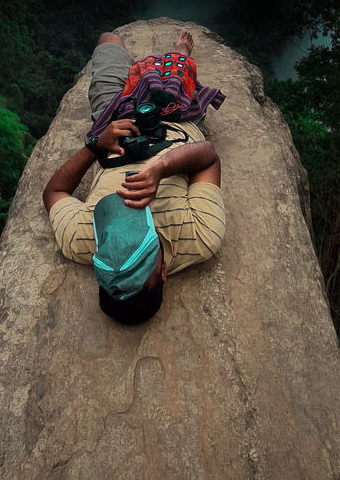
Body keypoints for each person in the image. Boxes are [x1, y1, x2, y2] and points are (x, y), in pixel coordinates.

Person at [42, 28, 225, 326]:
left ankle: (135, 66)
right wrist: (162, 167)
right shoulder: (200, 235)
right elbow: (209, 156)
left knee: (108, 40)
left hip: (113, 124)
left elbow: (54, 192)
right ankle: (180, 52)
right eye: (142, 242)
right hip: (173, 121)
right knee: (176, 74)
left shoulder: (83, 240)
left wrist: (96, 144)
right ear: (163, 272)